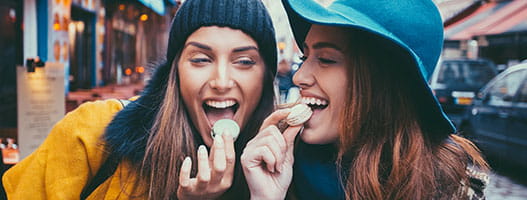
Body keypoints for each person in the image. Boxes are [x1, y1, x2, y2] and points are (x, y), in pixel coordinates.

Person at [2, 0, 277, 199]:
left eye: (244, 61)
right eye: (201, 59)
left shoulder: (285, 169)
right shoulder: (93, 132)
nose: (221, 82)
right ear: (176, 71)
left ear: (266, 77)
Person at [241, 0, 489, 199]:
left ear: (383, 84)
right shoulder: (273, 164)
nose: (299, 77)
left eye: (326, 59)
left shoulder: (447, 188)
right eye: (305, 57)